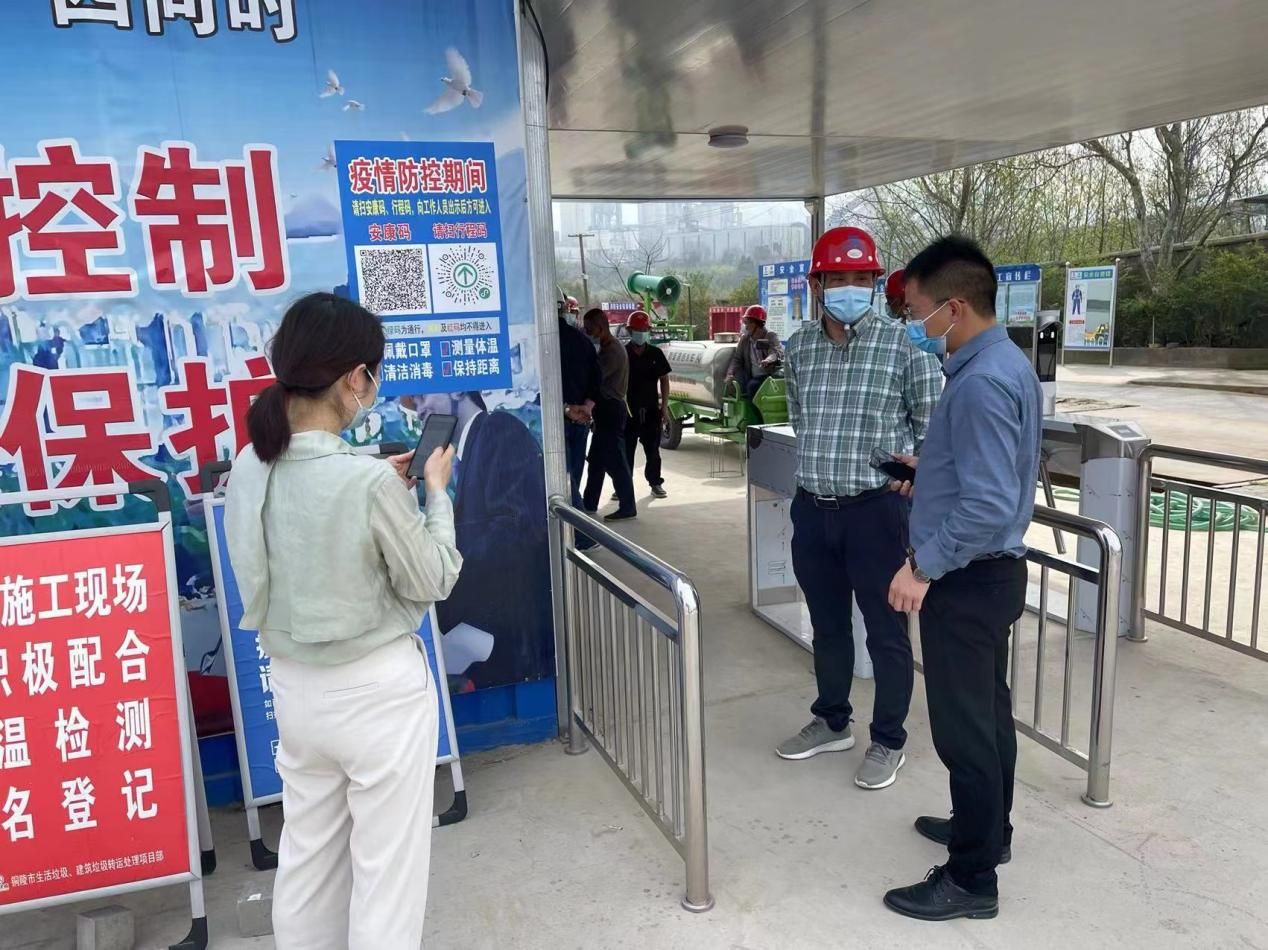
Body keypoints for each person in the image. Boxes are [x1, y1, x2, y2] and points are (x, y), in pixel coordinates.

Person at [224, 292, 462, 949]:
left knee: (308, 862)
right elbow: (433, 577)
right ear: (355, 377)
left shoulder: (251, 464)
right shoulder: (366, 484)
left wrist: (378, 484)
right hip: (377, 696)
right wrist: (434, 495)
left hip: (295, 689)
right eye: (373, 374)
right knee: (386, 878)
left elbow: (311, 506)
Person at [882, 236, 1042, 922]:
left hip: (967, 580)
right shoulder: (1003, 363)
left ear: (953, 307)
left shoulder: (978, 383)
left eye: (915, 308)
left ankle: (971, 879)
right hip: (990, 576)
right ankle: (987, 830)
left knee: (964, 731)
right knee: (989, 717)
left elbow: (986, 506)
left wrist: (922, 566)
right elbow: (987, 481)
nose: (911, 322)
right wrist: (933, 472)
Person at [777, 226, 942, 792]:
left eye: (860, 278)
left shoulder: (906, 346)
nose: (849, 287)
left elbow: (934, 431)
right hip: (813, 509)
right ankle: (831, 720)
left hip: (876, 514)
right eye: (837, 278)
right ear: (817, 284)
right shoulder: (799, 348)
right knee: (826, 627)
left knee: (886, 633)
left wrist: (918, 475)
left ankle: (888, 739)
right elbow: (801, 418)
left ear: (874, 283)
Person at [408, 389, 554, 689]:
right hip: (495, 629)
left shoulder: (499, 430)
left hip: (513, 631)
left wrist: (445, 560)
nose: (419, 409)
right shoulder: (470, 449)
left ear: (458, 389)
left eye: (422, 396)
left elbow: (517, 529)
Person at [581, 307, 637, 521]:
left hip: (611, 409)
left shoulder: (612, 351)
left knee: (616, 461)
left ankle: (628, 506)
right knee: (596, 461)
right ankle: (589, 503)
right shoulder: (607, 348)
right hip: (605, 410)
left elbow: (595, 380)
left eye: (589, 330)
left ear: (600, 328)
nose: (587, 334)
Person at [557, 288, 600, 507]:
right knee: (573, 478)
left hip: (556, 424)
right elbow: (597, 380)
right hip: (581, 420)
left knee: (562, 484)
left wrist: (566, 408)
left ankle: (576, 525)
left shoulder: (539, 343)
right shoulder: (582, 342)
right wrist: (587, 407)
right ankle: (576, 522)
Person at [623, 310, 671, 499]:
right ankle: (623, 486)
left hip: (651, 411)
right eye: (638, 330)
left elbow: (664, 380)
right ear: (630, 331)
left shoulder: (655, 353)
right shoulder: (623, 353)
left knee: (653, 451)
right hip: (628, 411)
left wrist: (664, 407)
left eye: (644, 330)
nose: (641, 333)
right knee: (626, 451)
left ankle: (655, 483)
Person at [725, 304, 784, 398]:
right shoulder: (745, 339)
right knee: (735, 385)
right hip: (751, 376)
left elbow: (776, 352)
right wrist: (730, 373)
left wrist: (768, 360)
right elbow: (737, 359)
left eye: (747, 323)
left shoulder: (770, 336)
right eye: (745, 322)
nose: (746, 327)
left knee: (752, 386)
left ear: (757, 324)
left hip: (768, 376)